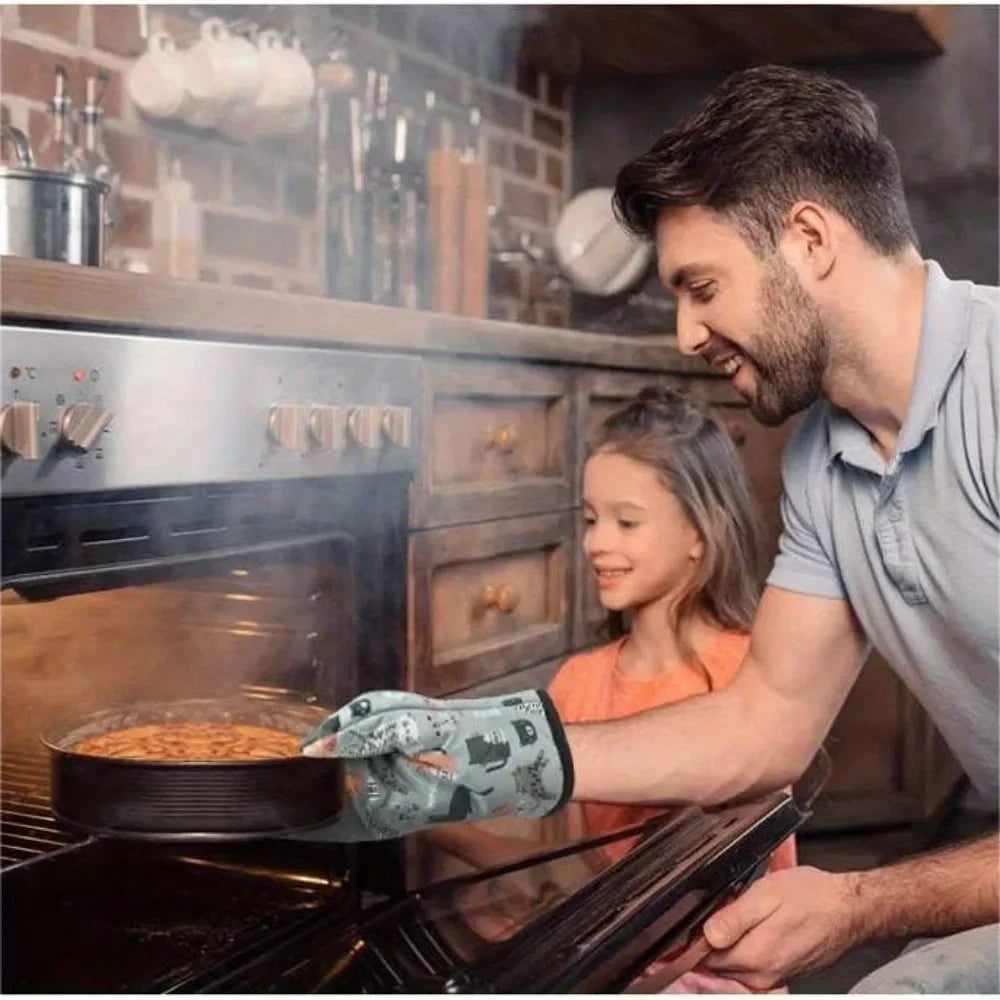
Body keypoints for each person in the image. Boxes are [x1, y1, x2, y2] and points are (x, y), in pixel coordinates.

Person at [301, 65, 999, 992]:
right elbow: (765, 720)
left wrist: (859, 905)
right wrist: (486, 754)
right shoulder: (820, 460)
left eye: (701, 285)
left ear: (810, 239)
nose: (685, 334)